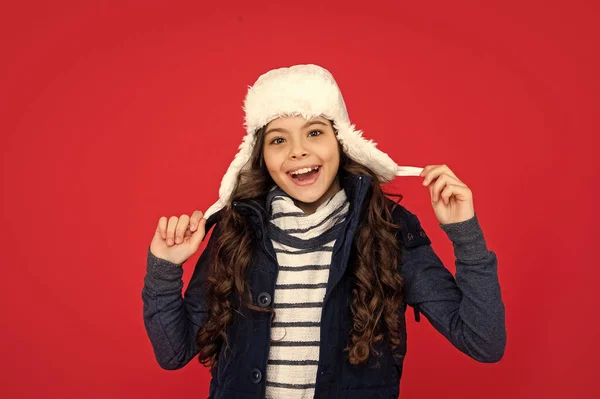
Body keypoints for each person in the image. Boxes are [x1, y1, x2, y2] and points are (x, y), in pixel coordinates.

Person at [142, 64, 506, 399]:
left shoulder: (388, 230)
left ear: (341, 141)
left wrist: (464, 233)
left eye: (314, 132)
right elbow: (174, 353)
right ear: (261, 157)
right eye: (279, 140)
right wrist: (164, 268)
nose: (298, 151)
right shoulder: (234, 233)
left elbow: (483, 341)